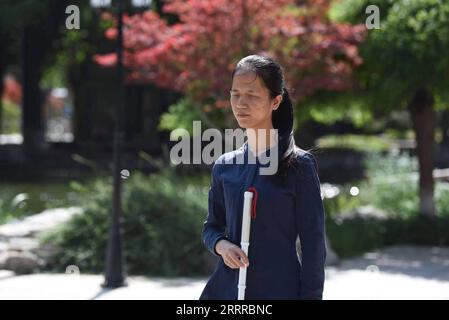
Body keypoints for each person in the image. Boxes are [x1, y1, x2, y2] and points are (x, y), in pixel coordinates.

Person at [199, 54, 326, 300]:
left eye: (252, 95)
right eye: (235, 94)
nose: (241, 103)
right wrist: (221, 246)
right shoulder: (225, 166)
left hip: (281, 290)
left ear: (275, 101)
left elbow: (314, 247)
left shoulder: (299, 166)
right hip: (227, 292)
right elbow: (211, 227)